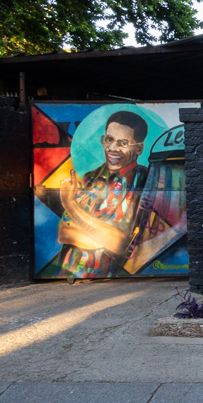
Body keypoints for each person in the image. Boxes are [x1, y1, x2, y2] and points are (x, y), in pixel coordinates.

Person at [55, 111, 150, 278]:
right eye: (109, 140)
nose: (112, 148)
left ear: (139, 148)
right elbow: (64, 232)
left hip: (109, 275)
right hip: (68, 273)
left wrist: (69, 204)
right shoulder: (90, 178)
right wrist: (101, 235)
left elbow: (118, 244)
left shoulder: (144, 181)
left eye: (123, 143)